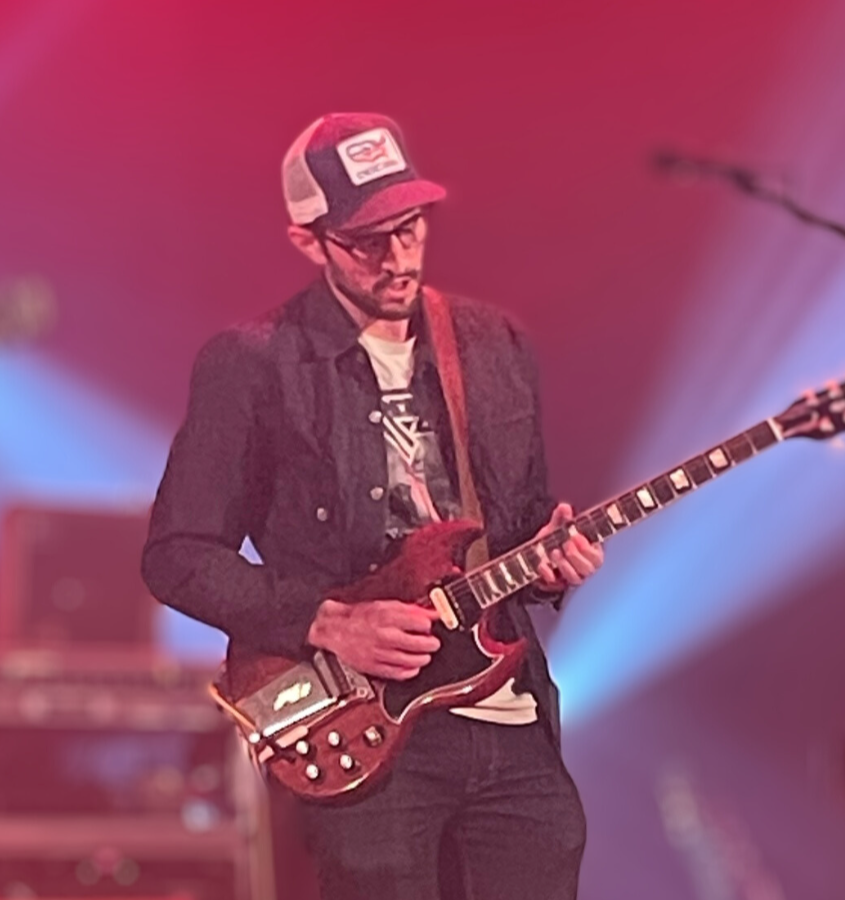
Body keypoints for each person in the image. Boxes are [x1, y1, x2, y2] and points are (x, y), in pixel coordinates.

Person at [142, 112, 603, 900]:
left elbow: (518, 526)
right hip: (366, 726)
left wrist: (553, 559)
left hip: (507, 716)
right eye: (367, 240)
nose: (399, 257)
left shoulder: (493, 344)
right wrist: (326, 620)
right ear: (306, 239)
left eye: (411, 227)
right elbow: (177, 554)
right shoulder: (252, 363)